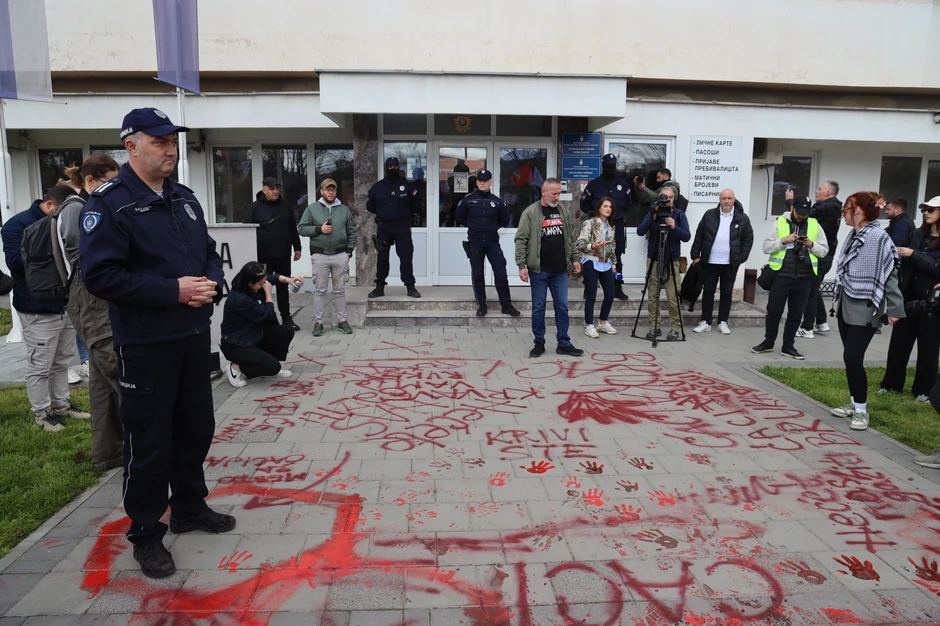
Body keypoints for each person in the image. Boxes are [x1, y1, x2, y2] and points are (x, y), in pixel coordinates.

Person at [80, 107, 234, 579]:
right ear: (132, 146)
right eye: (160, 141)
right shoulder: (109, 204)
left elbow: (207, 252)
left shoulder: (183, 198)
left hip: (191, 338)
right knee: (148, 443)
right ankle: (146, 533)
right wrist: (175, 291)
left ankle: (188, 506)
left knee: (195, 429)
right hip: (146, 345)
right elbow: (100, 276)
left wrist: (209, 283)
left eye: (174, 142)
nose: (171, 150)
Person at [1, 185, 91, 432]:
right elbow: (16, 264)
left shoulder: (64, 220)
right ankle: (41, 414)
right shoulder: (16, 226)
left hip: (65, 303)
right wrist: (50, 252)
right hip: (37, 307)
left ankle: (62, 406)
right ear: (51, 205)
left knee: (62, 361)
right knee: (40, 364)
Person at [58, 154, 124, 469]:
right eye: (110, 183)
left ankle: (109, 453)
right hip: (90, 294)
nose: (117, 190)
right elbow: (84, 257)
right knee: (118, 367)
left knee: (100, 378)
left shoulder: (87, 207)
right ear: (90, 182)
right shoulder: (79, 210)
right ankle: (145, 448)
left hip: (92, 294)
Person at [828, 192, 905, 432]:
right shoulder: (854, 234)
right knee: (849, 358)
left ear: (859, 210)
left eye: (848, 207)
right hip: (846, 303)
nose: (845, 212)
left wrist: (895, 308)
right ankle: (853, 403)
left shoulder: (878, 237)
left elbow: (889, 273)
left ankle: (861, 411)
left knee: (853, 357)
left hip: (866, 306)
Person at [878, 196, 940, 401]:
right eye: (924, 210)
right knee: (898, 344)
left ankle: (923, 390)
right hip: (908, 297)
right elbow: (899, 260)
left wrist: (913, 254)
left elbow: (935, 268)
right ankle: (891, 384)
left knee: (929, 348)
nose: (926, 213)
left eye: (931, 209)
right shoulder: (915, 235)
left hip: (932, 302)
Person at [751, 196, 829, 359]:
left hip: (805, 277)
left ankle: (788, 346)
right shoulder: (780, 222)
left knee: (796, 314)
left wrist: (810, 245)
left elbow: (824, 251)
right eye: (799, 212)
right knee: (773, 312)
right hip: (781, 275)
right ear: (793, 208)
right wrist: (783, 241)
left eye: (805, 213)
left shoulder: (815, 225)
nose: (802, 216)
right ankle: (768, 342)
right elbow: (766, 247)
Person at [514, 178, 584, 357]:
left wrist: (574, 258)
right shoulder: (530, 212)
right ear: (544, 192)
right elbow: (521, 240)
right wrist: (521, 265)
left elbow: (569, 237)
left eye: (559, 193)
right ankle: (539, 342)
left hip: (560, 270)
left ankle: (564, 343)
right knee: (538, 307)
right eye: (554, 193)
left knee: (562, 306)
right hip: (539, 270)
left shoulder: (562, 210)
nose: (557, 197)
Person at [221, 262, 301, 387]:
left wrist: (288, 280)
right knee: (274, 367)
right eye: (260, 284)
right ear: (250, 283)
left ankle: (265, 363)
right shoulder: (240, 299)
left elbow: (272, 278)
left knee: (286, 331)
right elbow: (267, 313)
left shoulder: (250, 283)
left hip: (252, 335)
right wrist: (268, 293)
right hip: (236, 344)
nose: (263, 285)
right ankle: (236, 368)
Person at [455, 169, 520, 317]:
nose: (482, 183)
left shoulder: (497, 201)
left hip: (492, 242)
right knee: (477, 274)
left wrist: (491, 228)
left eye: (485, 181)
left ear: (490, 182)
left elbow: (504, 220)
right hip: (475, 242)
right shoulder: (468, 200)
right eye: (480, 181)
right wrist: (474, 227)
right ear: (477, 182)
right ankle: (482, 305)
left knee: (501, 273)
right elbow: (460, 218)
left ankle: (506, 305)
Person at [297, 178, 358, 336]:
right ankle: (318, 323)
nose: (331, 192)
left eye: (333, 189)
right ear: (322, 191)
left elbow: (352, 230)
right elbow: (302, 229)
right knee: (320, 290)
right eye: (327, 189)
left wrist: (349, 251)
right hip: (320, 255)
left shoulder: (344, 210)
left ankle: (342, 321)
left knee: (339, 290)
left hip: (340, 255)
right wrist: (319, 229)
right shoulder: (312, 209)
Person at [690, 189, 754, 335]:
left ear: (734, 199)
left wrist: (741, 258)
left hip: (730, 263)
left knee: (726, 292)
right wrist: (695, 255)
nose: (726, 201)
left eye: (729, 198)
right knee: (708, 291)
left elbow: (748, 239)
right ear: (719, 199)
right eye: (723, 198)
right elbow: (699, 235)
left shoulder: (742, 218)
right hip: (710, 261)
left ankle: (723, 322)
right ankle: (706, 321)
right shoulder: (709, 215)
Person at [243, 177, 302, 330]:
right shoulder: (255, 207)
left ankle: (286, 319)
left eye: (277, 188)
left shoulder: (285, 206)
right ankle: (265, 319)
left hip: (283, 254)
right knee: (263, 287)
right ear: (264, 190)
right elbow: (246, 231)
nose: (275, 191)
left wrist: (297, 247)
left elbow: (292, 228)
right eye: (271, 188)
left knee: (283, 287)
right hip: (263, 255)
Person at [636, 186, 691, 341]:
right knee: (653, 296)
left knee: (673, 297)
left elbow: (686, 236)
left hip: (672, 260)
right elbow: (640, 231)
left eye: (670, 198)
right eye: (663, 197)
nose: (667, 201)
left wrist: (674, 227)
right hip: (654, 259)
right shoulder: (652, 213)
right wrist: (652, 216)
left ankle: (675, 329)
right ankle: (655, 327)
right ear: (658, 198)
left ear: (674, 200)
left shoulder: (679, 215)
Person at [788, 181, 842, 338]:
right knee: (814, 288)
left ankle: (807, 327)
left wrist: (791, 202)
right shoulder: (835, 206)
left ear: (827, 193)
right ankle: (822, 322)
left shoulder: (825, 206)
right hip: (825, 253)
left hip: (819, 253)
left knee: (811, 290)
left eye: (820, 189)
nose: (817, 191)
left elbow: (800, 216)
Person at [367, 157, 421, 298]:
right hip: (384, 227)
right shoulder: (378, 187)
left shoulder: (407, 186)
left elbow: (416, 205)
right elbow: (370, 206)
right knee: (382, 258)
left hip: (402, 227)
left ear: (398, 167)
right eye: (390, 166)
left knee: (406, 257)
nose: (393, 168)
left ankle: (410, 286)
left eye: (395, 166)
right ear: (386, 167)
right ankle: (379, 287)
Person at [580, 154, 632, 300]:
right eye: (609, 165)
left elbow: (629, 203)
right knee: (592, 256)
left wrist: (617, 215)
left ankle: (616, 287)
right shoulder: (594, 184)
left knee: (617, 256)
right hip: (597, 226)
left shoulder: (623, 184)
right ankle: (589, 287)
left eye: (613, 165)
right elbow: (584, 204)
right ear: (603, 166)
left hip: (617, 226)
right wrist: (595, 215)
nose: (611, 168)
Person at [576, 197, 618, 338]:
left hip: (606, 263)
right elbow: (579, 244)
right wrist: (592, 246)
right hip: (591, 261)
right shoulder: (590, 223)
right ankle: (589, 324)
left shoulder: (611, 226)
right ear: (599, 208)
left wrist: (614, 264)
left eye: (610, 207)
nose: (608, 209)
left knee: (611, 294)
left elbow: (613, 247)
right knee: (591, 294)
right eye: (605, 206)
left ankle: (603, 322)